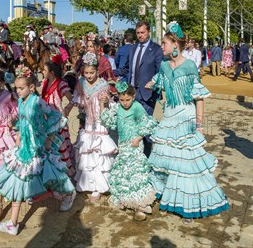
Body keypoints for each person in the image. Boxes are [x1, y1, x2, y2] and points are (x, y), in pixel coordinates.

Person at [144, 22, 229, 220]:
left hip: (186, 117)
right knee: (167, 158)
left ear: (175, 44)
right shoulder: (164, 66)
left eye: (164, 43)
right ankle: (168, 196)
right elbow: (159, 80)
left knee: (186, 162)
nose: (161, 46)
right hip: (169, 116)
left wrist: (199, 125)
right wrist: (151, 83)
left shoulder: (190, 66)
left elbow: (198, 97)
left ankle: (186, 203)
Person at [0, 66, 76, 236]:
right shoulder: (21, 101)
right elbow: (22, 119)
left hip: (37, 145)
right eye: (16, 88)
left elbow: (55, 116)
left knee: (49, 174)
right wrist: (17, 127)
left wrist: (48, 137)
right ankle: (13, 223)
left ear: (32, 87)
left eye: (21, 88)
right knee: (25, 177)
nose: (17, 91)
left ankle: (68, 194)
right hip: (24, 146)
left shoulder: (37, 101)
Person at [100, 81, 157, 221]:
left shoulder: (137, 107)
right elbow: (106, 119)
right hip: (123, 145)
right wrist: (103, 104)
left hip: (135, 144)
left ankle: (140, 205)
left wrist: (138, 138)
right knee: (125, 172)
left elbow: (147, 123)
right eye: (122, 100)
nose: (125, 103)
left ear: (134, 96)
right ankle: (127, 200)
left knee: (136, 172)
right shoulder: (118, 107)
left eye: (128, 100)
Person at [65, 52, 117, 202]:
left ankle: (98, 187)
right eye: (86, 72)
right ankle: (85, 182)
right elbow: (77, 99)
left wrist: (105, 101)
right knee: (86, 149)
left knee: (98, 152)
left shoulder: (103, 85)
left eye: (92, 72)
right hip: (87, 120)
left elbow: (106, 106)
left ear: (97, 71)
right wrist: (69, 106)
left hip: (99, 121)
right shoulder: (81, 83)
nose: (89, 75)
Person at [115, 21, 163, 116]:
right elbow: (127, 69)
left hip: (147, 94)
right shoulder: (132, 48)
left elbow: (160, 72)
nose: (140, 35)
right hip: (131, 92)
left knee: (144, 125)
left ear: (149, 32)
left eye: (142, 32)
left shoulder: (156, 49)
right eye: (138, 33)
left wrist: (154, 83)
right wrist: (111, 72)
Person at [42, 57, 75, 176]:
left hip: (57, 119)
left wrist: (67, 108)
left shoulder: (60, 84)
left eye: (44, 70)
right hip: (47, 119)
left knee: (61, 144)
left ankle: (66, 170)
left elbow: (73, 99)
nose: (42, 72)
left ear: (51, 73)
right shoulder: (44, 83)